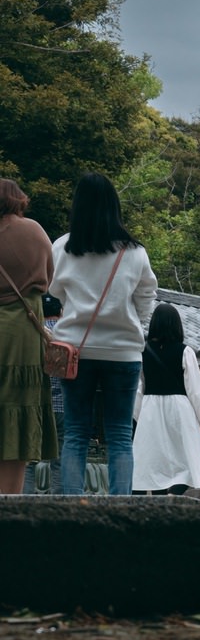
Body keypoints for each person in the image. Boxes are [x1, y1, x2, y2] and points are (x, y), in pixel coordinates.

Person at [51, 171, 158, 497]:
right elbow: (146, 297)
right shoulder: (134, 252)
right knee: (120, 434)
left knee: (76, 433)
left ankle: (72, 504)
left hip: (74, 351)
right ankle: (120, 506)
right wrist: (131, 322)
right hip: (123, 352)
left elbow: (55, 291)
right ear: (114, 206)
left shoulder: (63, 247)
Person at [0, 176, 59, 497]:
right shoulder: (33, 230)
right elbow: (50, 279)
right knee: (19, 415)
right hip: (25, 331)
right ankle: (10, 502)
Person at [132, 303, 200, 493]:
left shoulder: (143, 352)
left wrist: (139, 415)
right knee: (185, 456)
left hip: (150, 407)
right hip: (180, 407)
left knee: (154, 458)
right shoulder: (185, 351)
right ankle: (175, 493)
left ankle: (159, 495)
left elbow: (137, 388)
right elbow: (195, 389)